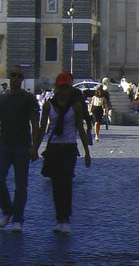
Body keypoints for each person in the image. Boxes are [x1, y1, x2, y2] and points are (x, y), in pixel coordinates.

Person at [33, 72, 92, 234]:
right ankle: (59, 217)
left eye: (67, 87)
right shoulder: (47, 105)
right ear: (57, 88)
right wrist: (35, 149)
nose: (64, 90)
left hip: (69, 147)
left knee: (66, 183)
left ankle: (65, 218)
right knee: (56, 185)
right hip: (53, 148)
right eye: (62, 87)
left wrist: (87, 152)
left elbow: (80, 128)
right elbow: (42, 127)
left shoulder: (76, 106)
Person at [0, 64, 40, 232]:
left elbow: (35, 124)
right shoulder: (1, 99)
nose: (15, 78)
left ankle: (18, 218)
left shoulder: (29, 99)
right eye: (13, 75)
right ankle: (7, 210)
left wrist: (35, 147)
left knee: (21, 185)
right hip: (4, 146)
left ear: (22, 79)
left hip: (23, 147)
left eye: (18, 76)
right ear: (9, 77)